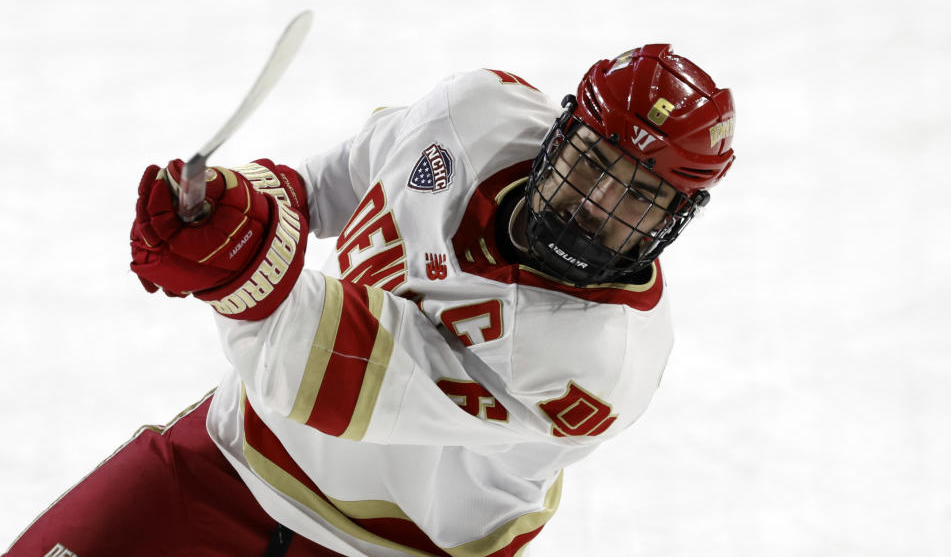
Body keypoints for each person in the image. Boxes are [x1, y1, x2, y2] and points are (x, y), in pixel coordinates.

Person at [5, 44, 736, 557]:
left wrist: (234, 267)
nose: (595, 202)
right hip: (228, 460)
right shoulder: (473, 114)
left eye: (641, 194)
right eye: (592, 160)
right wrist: (236, 204)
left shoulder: (597, 363)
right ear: (563, 127)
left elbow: (325, 379)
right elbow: (335, 180)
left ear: (678, 217)